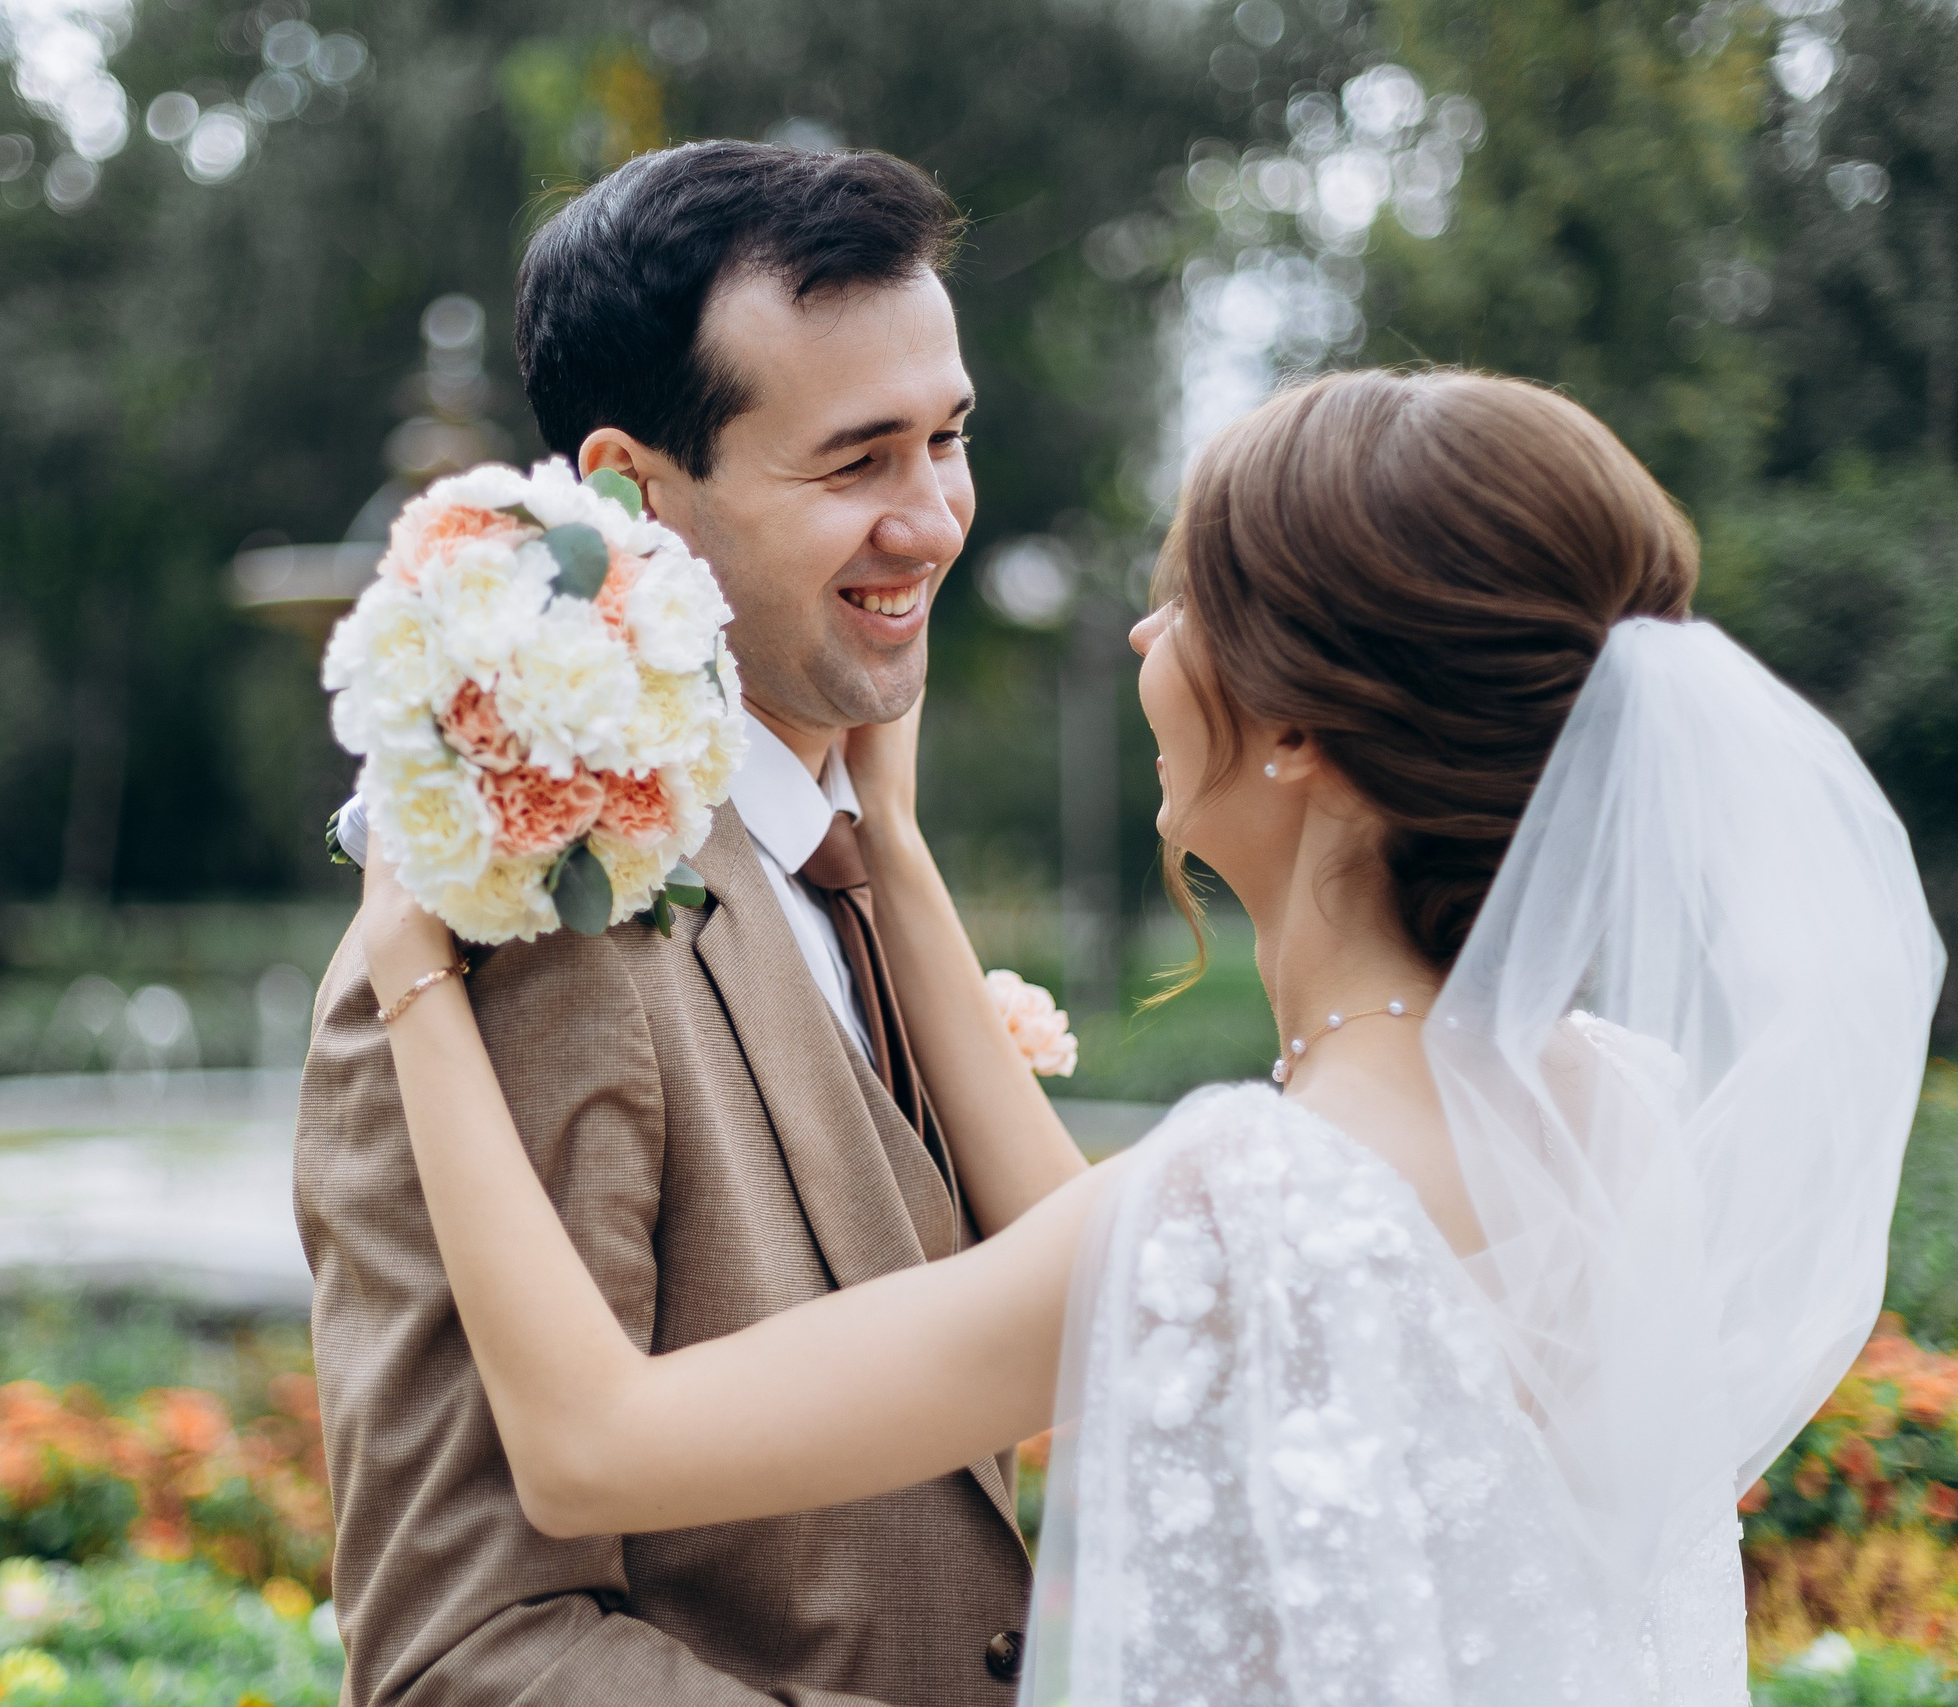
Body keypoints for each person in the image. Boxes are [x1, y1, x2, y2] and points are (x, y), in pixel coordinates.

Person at [352, 369, 1948, 1704]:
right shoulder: (1608, 1114)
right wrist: (894, 858)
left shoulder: (1253, 1199)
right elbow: (1118, 1270)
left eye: (1190, 602)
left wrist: (413, 957)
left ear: (1304, 725)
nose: (1142, 641)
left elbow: (585, 1447)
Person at [295, 140, 1050, 1706]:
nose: (933, 522)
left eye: (949, 440)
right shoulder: (522, 922)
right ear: (633, 492)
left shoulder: (874, 868)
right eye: (858, 465)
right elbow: (462, 1655)